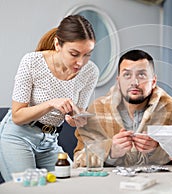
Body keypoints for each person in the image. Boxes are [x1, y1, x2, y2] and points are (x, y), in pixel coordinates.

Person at [0, 15, 99, 181]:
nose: (81, 63)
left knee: (75, 185)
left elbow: (75, 116)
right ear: (57, 45)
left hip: (50, 141)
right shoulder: (32, 62)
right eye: (74, 54)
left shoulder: (91, 72)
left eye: (87, 54)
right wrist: (51, 104)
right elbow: (17, 116)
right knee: (28, 189)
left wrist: (78, 119)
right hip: (18, 136)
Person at [73, 49, 172, 167]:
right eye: (127, 75)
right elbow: (79, 159)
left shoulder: (169, 108)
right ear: (119, 81)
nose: (134, 82)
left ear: (153, 81)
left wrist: (156, 150)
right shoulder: (97, 109)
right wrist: (110, 150)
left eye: (142, 75)